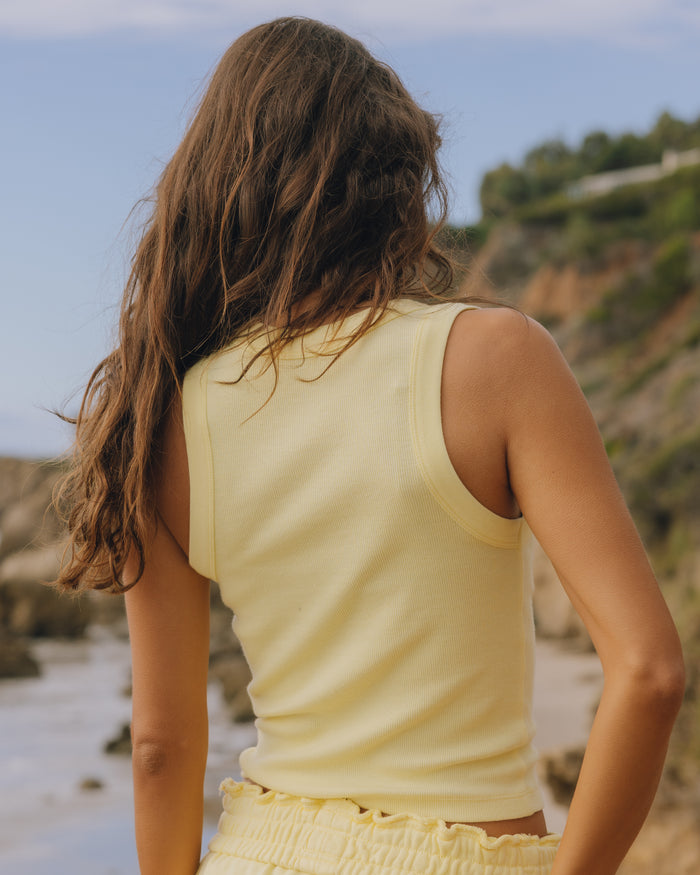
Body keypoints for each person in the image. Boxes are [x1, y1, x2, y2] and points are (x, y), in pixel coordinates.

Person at [55, 17, 685, 875]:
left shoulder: (167, 419)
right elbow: (648, 672)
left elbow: (161, 745)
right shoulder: (496, 359)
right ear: (398, 184)